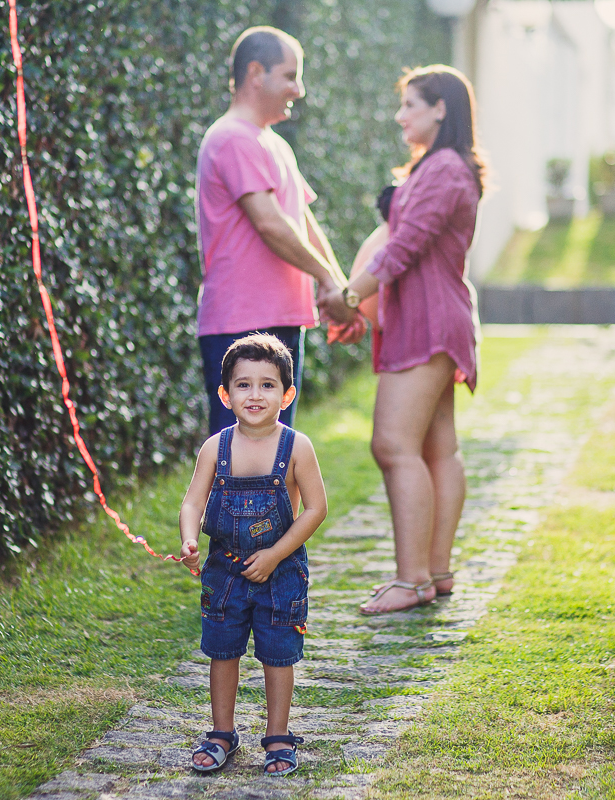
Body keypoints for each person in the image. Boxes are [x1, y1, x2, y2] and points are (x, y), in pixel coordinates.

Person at [318, 65, 486, 615]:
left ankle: (412, 579)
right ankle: (434, 573)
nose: (401, 115)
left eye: (411, 104)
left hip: (428, 321)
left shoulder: (444, 170)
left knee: (392, 445)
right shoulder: (439, 167)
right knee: (438, 447)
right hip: (432, 317)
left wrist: (346, 296)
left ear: (442, 108)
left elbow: (401, 250)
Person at [195, 26, 358, 436]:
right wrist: (326, 279)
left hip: (279, 318)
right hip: (242, 323)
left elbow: (302, 221)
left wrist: (340, 289)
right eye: (290, 76)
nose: (299, 89)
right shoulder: (232, 137)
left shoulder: (274, 143)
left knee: (276, 455)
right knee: (238, 460)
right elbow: (270, 223)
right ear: (256, 73)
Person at [179, 334, 327, 775]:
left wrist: (276, 555)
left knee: (277, 652)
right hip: (225, 569)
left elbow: (317, 509)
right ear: (225, 395)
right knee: (222, 650)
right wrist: (189, 539)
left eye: (268, 385)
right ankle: (222, 731)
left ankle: (278, 735)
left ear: (288, 393)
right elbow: (192, 502)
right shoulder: (216, 447)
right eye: (243, 385)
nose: (256, 394)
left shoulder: (296, 447)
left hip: (280, 570)